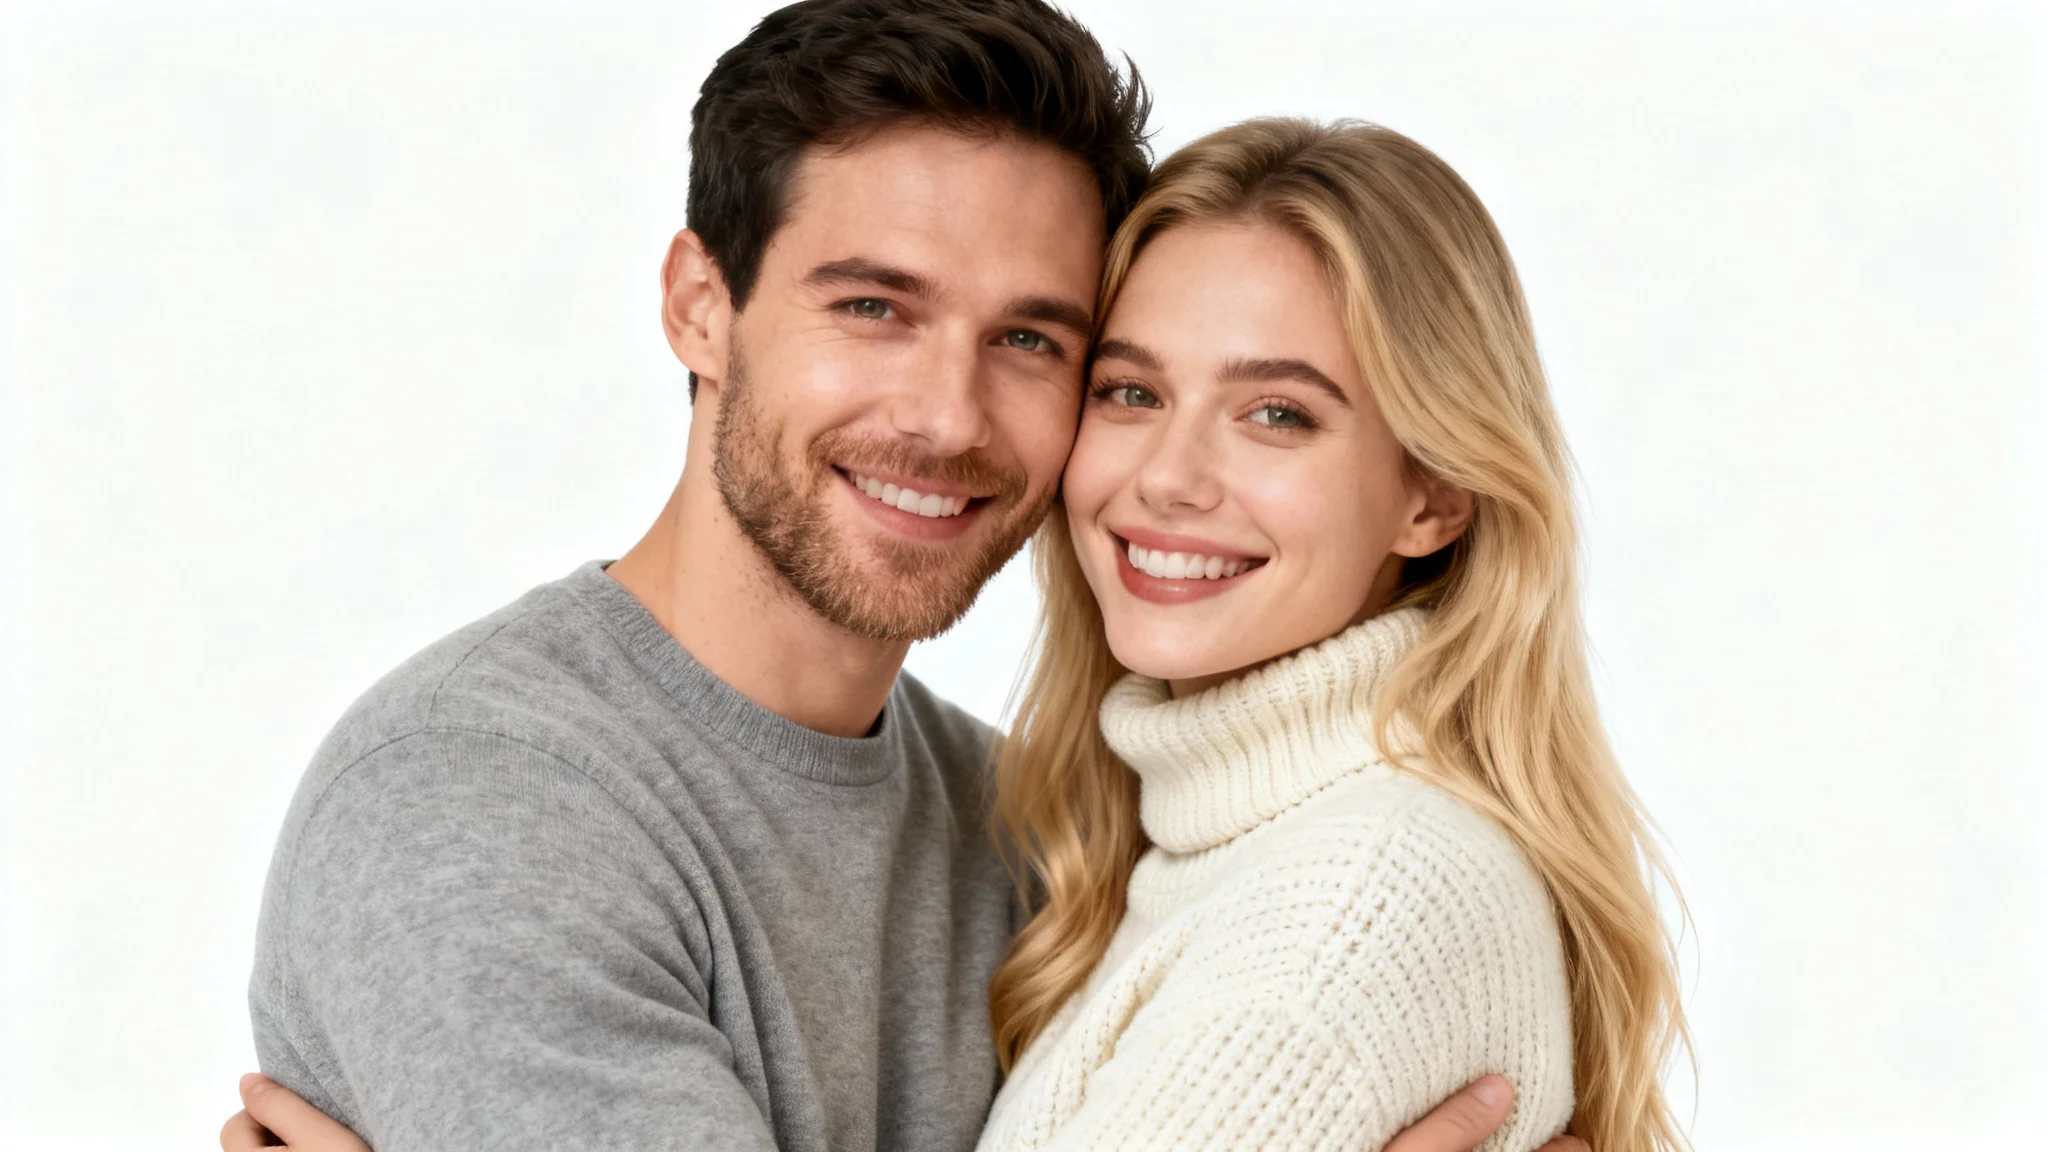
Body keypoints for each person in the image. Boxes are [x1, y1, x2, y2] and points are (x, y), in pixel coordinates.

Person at [220, 2, 1588, 1151]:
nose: (946, 417)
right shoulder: (479, 803)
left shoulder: (1050, 843)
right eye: (874, 306)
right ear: (702, 303)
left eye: (1034, 342)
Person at [973, 119, 1691, 1148]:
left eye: (1275, 414)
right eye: (1130, 392)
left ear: (1434, 496)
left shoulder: (1351, 906)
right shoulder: (1226, 844)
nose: (1167, 477)